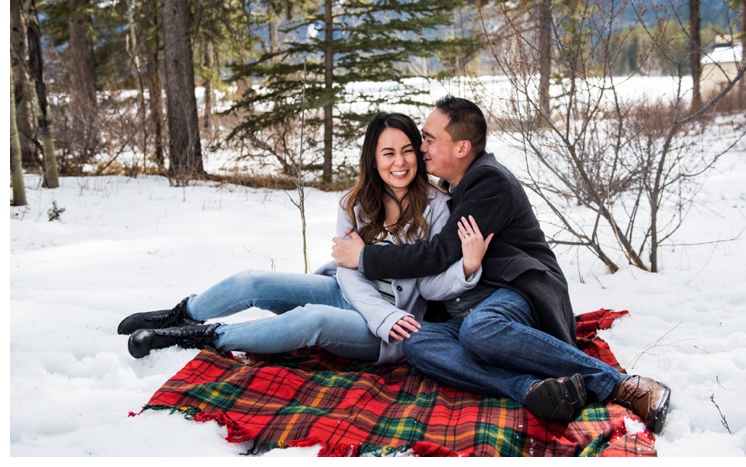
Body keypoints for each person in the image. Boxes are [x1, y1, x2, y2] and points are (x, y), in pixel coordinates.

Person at [332, 96, 671, 433]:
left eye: (429, 139)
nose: (421, 148)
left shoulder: (489, 182)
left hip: (514, 292)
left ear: (462, 148)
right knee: (417, 342)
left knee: (480, 329)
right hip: (468, 306)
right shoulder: (454, 183)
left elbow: (438, 253)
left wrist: (364, 258)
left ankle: (625, 386)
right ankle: (533, 389)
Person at [119, 112, 489, 365]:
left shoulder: (438, 206)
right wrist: (373, 304)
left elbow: (428, 280)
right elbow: (348, 271)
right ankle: (182, 315)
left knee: (311, 320)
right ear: (372, 158)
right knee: (253, 281)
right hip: (348, 295)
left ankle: (201, 337)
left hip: (388, 328)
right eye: (388, 152)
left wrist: (468, 268)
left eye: (408, 150)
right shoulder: (355, 202)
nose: (400, 162)